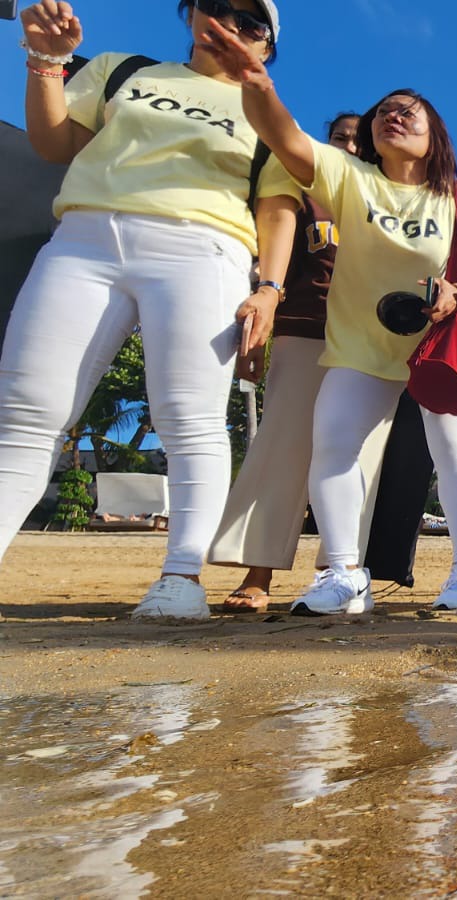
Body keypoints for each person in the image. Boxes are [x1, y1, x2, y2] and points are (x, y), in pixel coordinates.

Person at [208, 27, 457, 616]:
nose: (392, 117)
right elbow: (285, 138)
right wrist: (258, 83)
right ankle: (345, 572)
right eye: (383, 113)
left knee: (451, 451)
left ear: (435, 135)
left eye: (409, 112)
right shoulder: (349, 177)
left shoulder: (455, 195)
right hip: (356, 348)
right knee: (335, 447)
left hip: (436, 349)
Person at [0, 0, 282, 621]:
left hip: (205, 247)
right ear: (192, 15)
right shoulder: (120, 69)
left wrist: (269, 287)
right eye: (218, 7)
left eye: (252, 22)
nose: (232, 24)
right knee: (26, 413)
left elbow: (278, 206)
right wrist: (46, 62)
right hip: (85, 237)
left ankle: (181, 578)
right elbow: (54, 144)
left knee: (191, 417)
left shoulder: (267, 114)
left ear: (266, 48)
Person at [208, 113, 391, 611]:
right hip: (304, 327)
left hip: (371, 342)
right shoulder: (301, 192)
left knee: (359, 459)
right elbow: (274, 264)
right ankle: (258, 571)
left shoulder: (387, 199)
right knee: (283, 446)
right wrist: (260, 331)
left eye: (360, 142)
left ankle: (342, 573)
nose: (349, 148)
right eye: (340, 138)